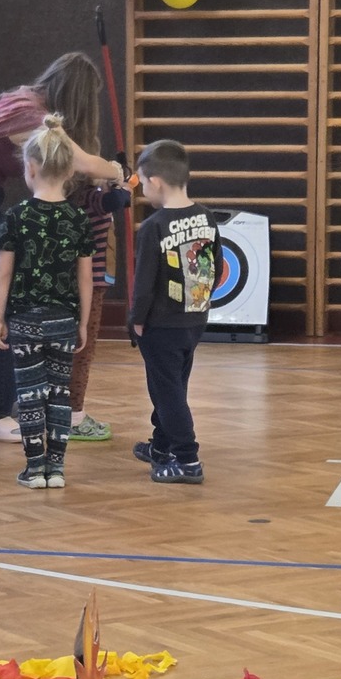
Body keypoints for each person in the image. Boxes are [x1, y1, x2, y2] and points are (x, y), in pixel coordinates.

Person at [0, 54, 125, 444]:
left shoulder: (27, 102)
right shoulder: (31, 115)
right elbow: (82, 162)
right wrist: (119, 173)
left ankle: (9, 404)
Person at [0, 116, 94, 489]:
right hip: (63, 320)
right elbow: (85, 277)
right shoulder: (78, 218)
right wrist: (82, 321)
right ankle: (57, 469)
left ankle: (34, 469)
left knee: (30, 394)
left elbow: (3, 274)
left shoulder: (16, 217)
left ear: (30, 168)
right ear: (69, 171)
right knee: (59, 393)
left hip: (24, 320)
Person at [129, 139, 216, 484]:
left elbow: (143, 282)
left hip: (160, 324)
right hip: (194, 319)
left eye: (141, 183)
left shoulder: (154, 226)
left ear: (155, 181)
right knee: (174, 385)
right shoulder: (207, 217)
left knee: (166, 392)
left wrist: (136, 320)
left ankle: (187, 459)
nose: (142, 190)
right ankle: (161, 445)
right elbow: (214, 266)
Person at [66, 174, 131, 442]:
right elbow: (120, 200)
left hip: (82, 283)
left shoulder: (77, 195)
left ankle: (65, 412)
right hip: (89, 285)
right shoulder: (91, 196)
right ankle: (73, 417)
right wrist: (119, 182)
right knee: (83, 350)